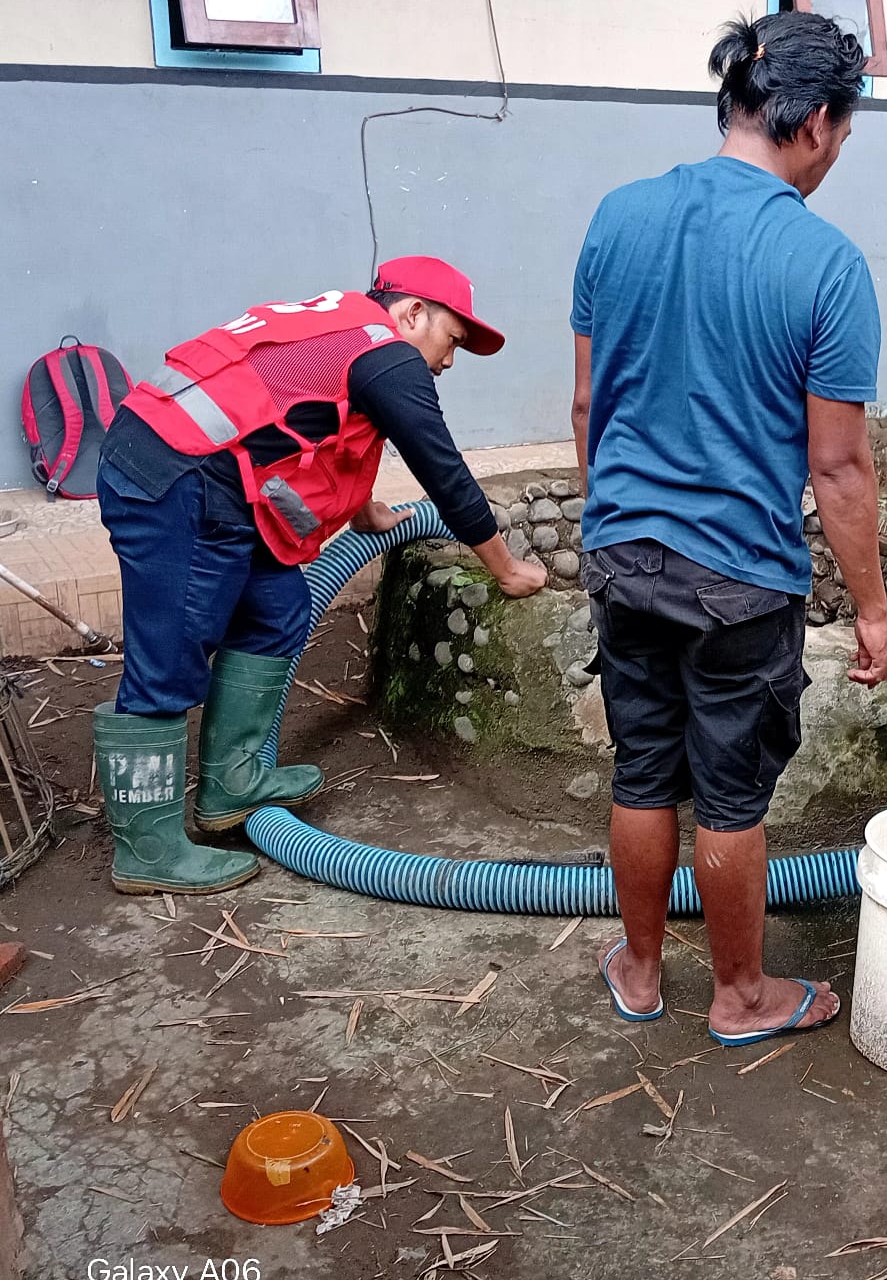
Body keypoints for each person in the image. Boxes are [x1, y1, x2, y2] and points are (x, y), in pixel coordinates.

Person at [570, 12, 887, 1048]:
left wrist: (611, 526)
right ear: (811, 122)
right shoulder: (826, 266)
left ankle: (635, 963)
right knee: (728, 799)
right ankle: (740, 994)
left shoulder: (615, 218)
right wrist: (874, 611)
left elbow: (586, 411)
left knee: (640, 769)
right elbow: (837, 466)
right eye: (842, 134)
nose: (837, 155)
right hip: (738, 583)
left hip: (623, 559)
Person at [94, 256, 547, 896]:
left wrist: (365, 507)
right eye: (451, 340)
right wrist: (505, 570)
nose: (447, 362)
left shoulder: (346, 332)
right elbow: (444, 472)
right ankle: (148, 848)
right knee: (171, 653)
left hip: (214, 478)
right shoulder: (391, 356)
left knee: (278, 608)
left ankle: (233, 781)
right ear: (413, 313)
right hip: (174, 478)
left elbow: (310, 416)